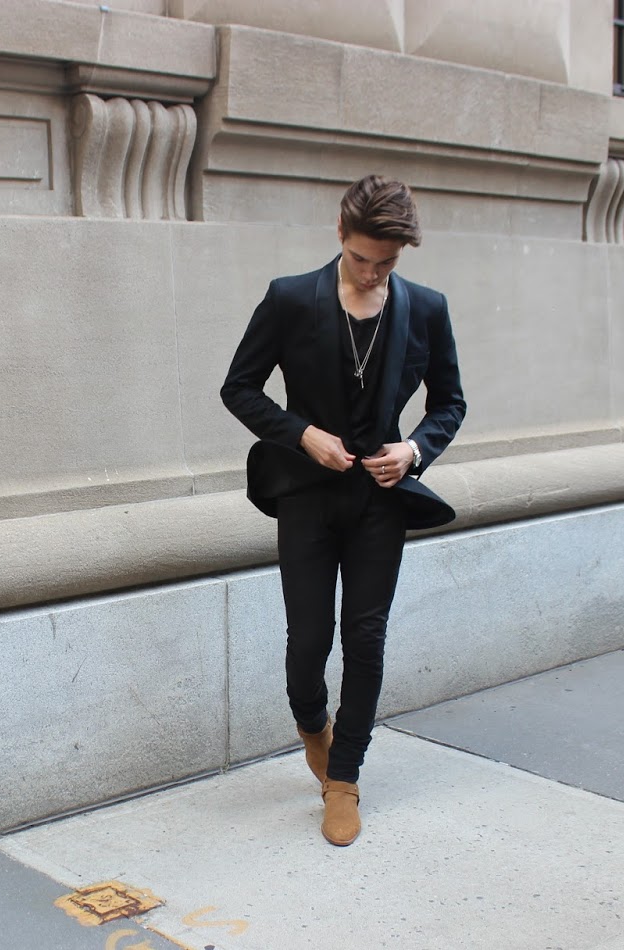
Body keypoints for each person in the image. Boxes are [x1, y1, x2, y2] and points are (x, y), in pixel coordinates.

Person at [219, 175, 466, 846]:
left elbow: (450, 402)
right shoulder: (290, 298)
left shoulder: (426, 308)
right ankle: (313, 727)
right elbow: (239, 388)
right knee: (308, 641)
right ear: (339, 233)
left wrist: (413, 450)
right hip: (306, 495)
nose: (372, 273)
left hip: (379, 500)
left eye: (386, 262)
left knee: (366, 638)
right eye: (361, 258)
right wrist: (302, 434)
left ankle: (346, 776)